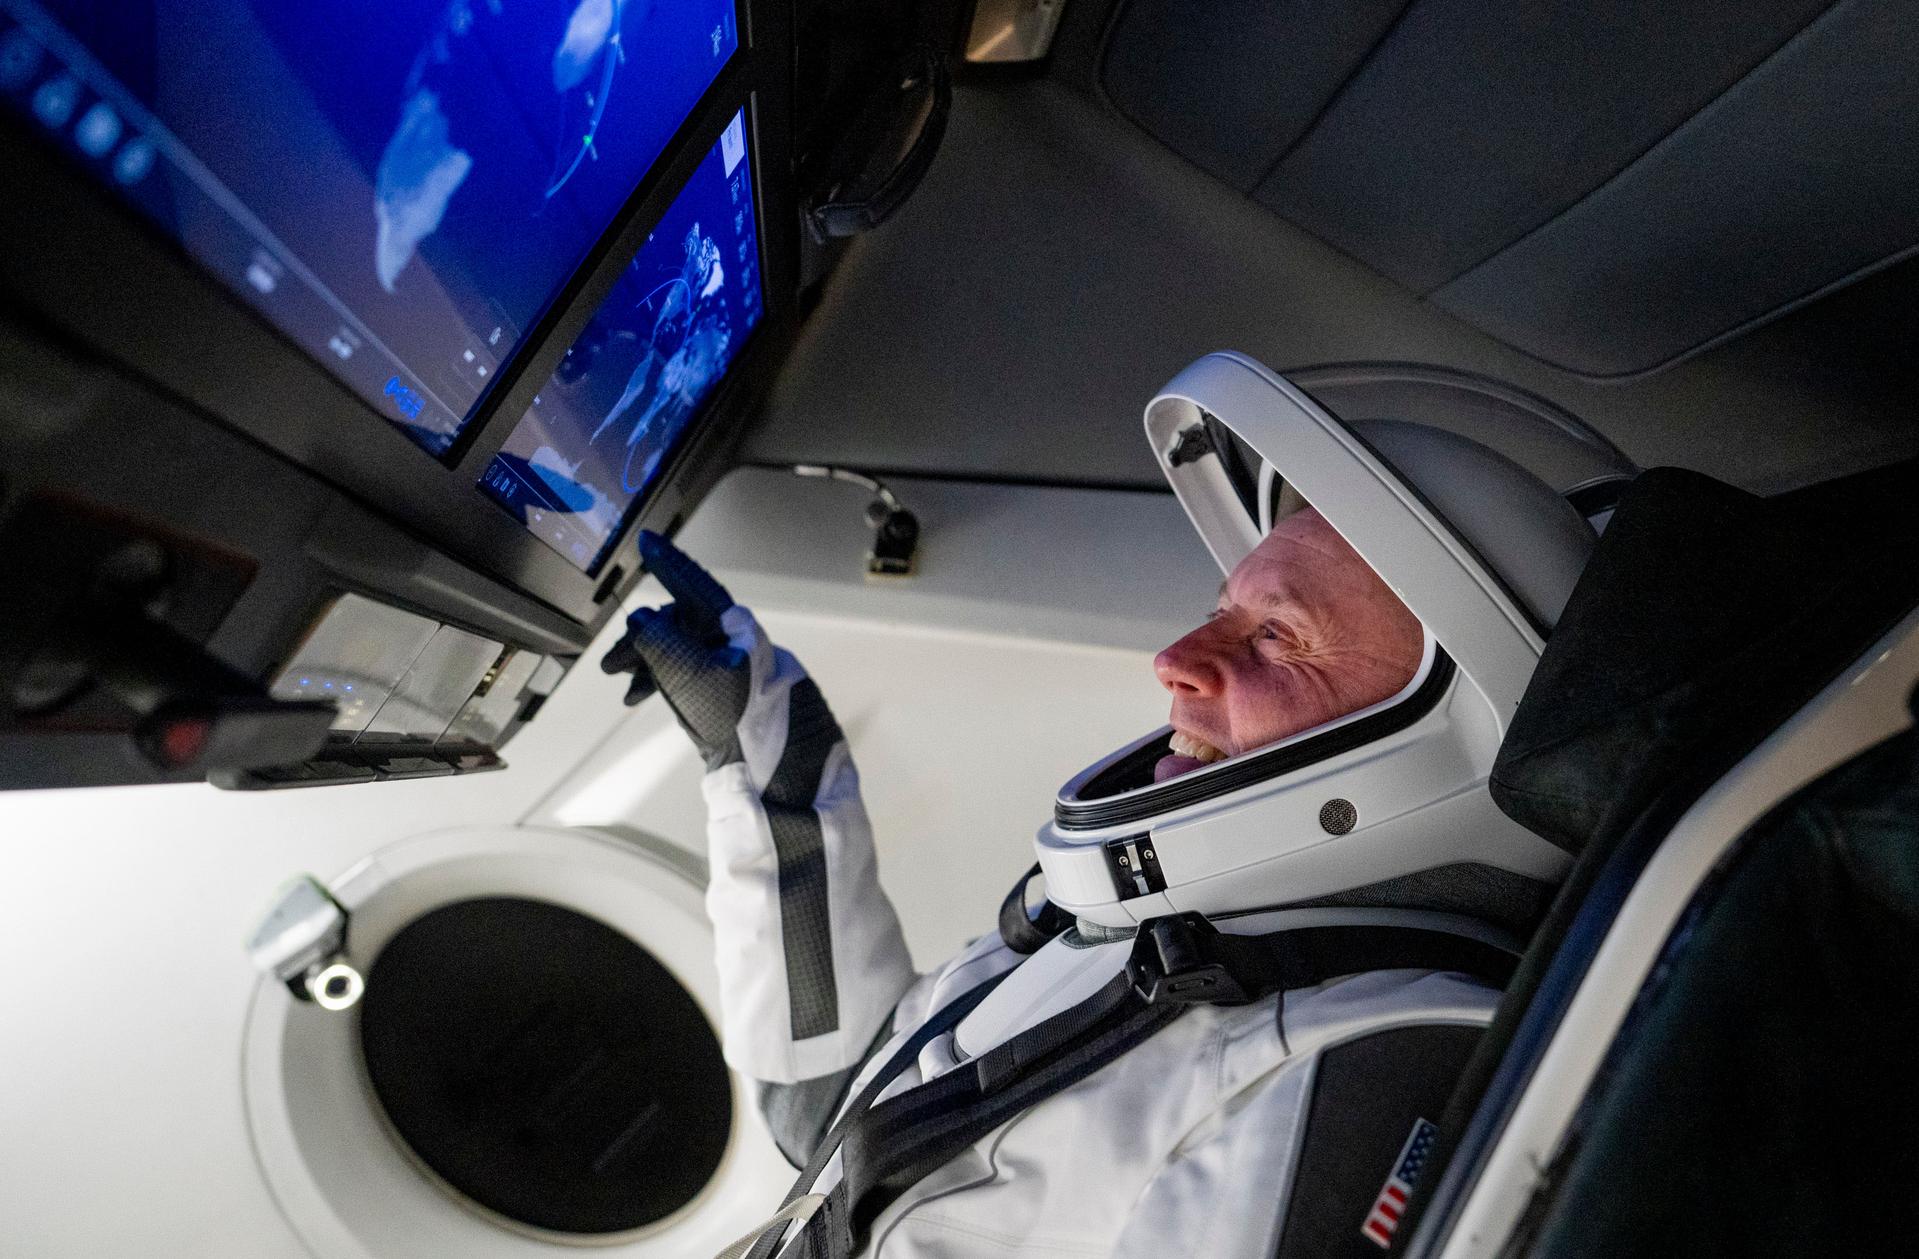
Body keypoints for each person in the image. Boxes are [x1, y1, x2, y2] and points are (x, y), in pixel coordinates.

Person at [602, 353, 1597, 1257]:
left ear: (1442, 737)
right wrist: (767, 761)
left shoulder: (1383, 1061)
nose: (1170, 662)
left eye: (1270, 639)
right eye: (1219, 614)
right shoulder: (1166, 938)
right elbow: (847, 1116)